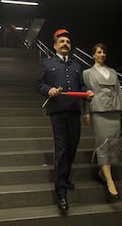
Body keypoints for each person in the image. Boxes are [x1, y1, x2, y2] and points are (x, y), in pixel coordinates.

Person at [35, 29, 93, 214]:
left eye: (67, 41)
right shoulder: (46, 63)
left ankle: (65, 177)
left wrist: (88, 93)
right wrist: (48, 90)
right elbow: (38, 84)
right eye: (62, 42)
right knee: (61, 149)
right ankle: (60, 191)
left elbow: (82, 86)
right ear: (55, 45)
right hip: (58, 111)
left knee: (72, 146)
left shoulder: (77, 66)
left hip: (74, 111)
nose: (65, 44)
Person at [82, 42, 122, 201]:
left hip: (114, 110)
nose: (102, 55)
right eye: (99, 52)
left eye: (104, 53)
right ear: (93, 54)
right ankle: (110, 181)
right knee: (103, 142)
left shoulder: (113, 72)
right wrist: (86, 112)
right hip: (98, 110)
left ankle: (102, 172)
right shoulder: (87, 73)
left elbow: (119, 91)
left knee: (113, 142)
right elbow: (86, 94)